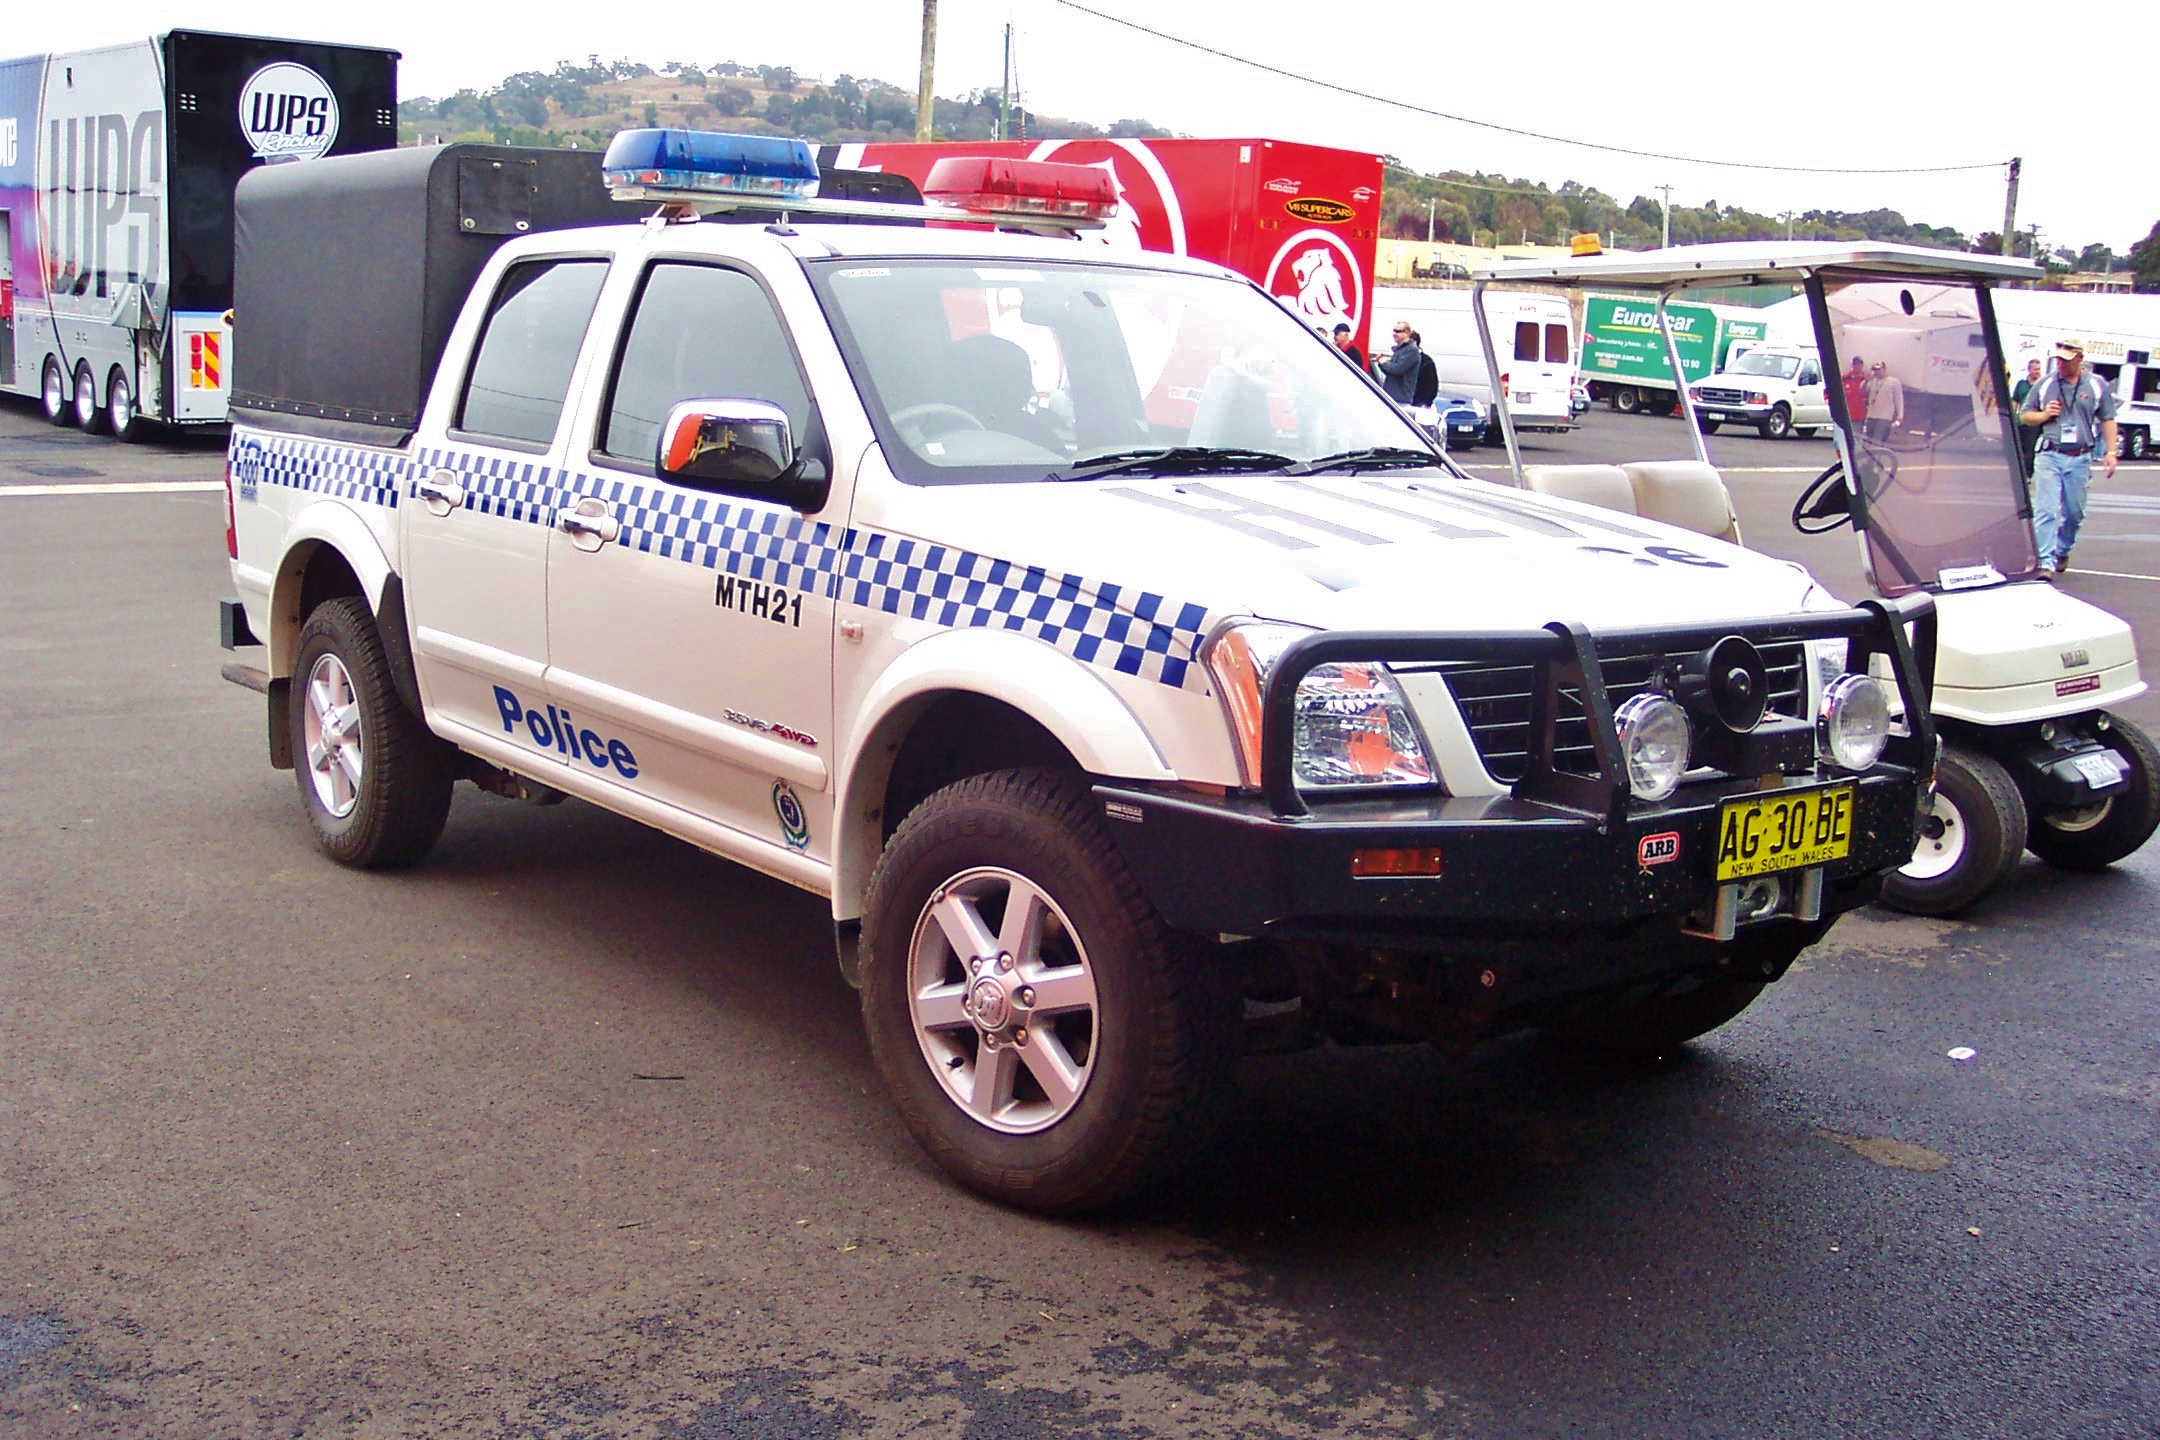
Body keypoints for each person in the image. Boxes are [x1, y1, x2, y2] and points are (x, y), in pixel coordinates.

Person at [2021, 338, 2119, 579]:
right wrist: (2044, 415)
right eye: (2058, 360)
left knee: (2074, 513)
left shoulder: (2096, 385)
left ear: (2079, 359)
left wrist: (2111, 452)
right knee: (2046, 510)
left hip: (2080, 457)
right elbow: (2024, 415)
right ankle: (2045, 561)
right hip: (2050, 453)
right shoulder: (2045, 384)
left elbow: (2108, 418)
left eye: (2066, 360)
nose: (2061, 365)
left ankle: (2062, 550)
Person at [1374, 321, 1421, 405]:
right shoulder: (1399, 350)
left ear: (1407, 333)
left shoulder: (1412, 350)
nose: (1394, 334)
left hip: (1400, 400)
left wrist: (1384, 361)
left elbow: (1398, 370)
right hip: (1390, 397)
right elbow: (1390, 372)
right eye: (1394, 331)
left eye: (1398, 331)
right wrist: (1381, 363)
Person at [2011, 358, 2044, 476]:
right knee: (2018, 448)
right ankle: (2017, 472)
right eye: (2035, 369)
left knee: (2029, 449)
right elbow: (2015, 400)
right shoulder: (2022, 383)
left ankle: (2027, 474)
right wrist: (2012, 417)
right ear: (2029, 369)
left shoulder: (2043, 384)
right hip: (2020, 420)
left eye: (2039, 369)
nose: (2037, 372)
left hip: (2035, 421)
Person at [1862, 360, 1903, 444]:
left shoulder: (1893, 382)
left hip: (1884, 417)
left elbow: (1898, 399)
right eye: (1875, 370)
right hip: (1871, 415)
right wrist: (1867, 379)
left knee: (1878, 440)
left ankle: (1875, 456)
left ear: (1884, 369)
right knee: (1869, 440)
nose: (1876, 372)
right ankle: (1870, 456)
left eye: (1878, 370)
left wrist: (1900, 415)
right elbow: (1862, 389)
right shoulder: (1872, 382)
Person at [1411, 330, 1440, 407]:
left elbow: (1432, 386)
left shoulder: (1426, 362)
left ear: (1414, 342)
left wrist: (1425, 404)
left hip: (1418, 405)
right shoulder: (1401, 359)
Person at [1841, 355, 1868, 431]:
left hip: (1860, 416)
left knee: (1857, 438)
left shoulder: (1866, 380)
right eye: (1855, 364)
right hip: (1846, 415)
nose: (1857, 366)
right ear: (1852, 365)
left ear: (1862, 366)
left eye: (1859, 364)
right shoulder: (1845, 379)